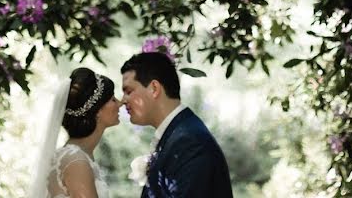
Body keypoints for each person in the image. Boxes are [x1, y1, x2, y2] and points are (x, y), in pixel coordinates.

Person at [121, 52, 233, 198]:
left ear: (154, 88)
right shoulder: (178, 134)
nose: (123, 100)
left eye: (129, 91)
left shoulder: (189, 142)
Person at [29, 67, 121, 198]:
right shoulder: (76, 161)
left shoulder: (76, 156)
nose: (120, 102)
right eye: (113, 99)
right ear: (98, 110)